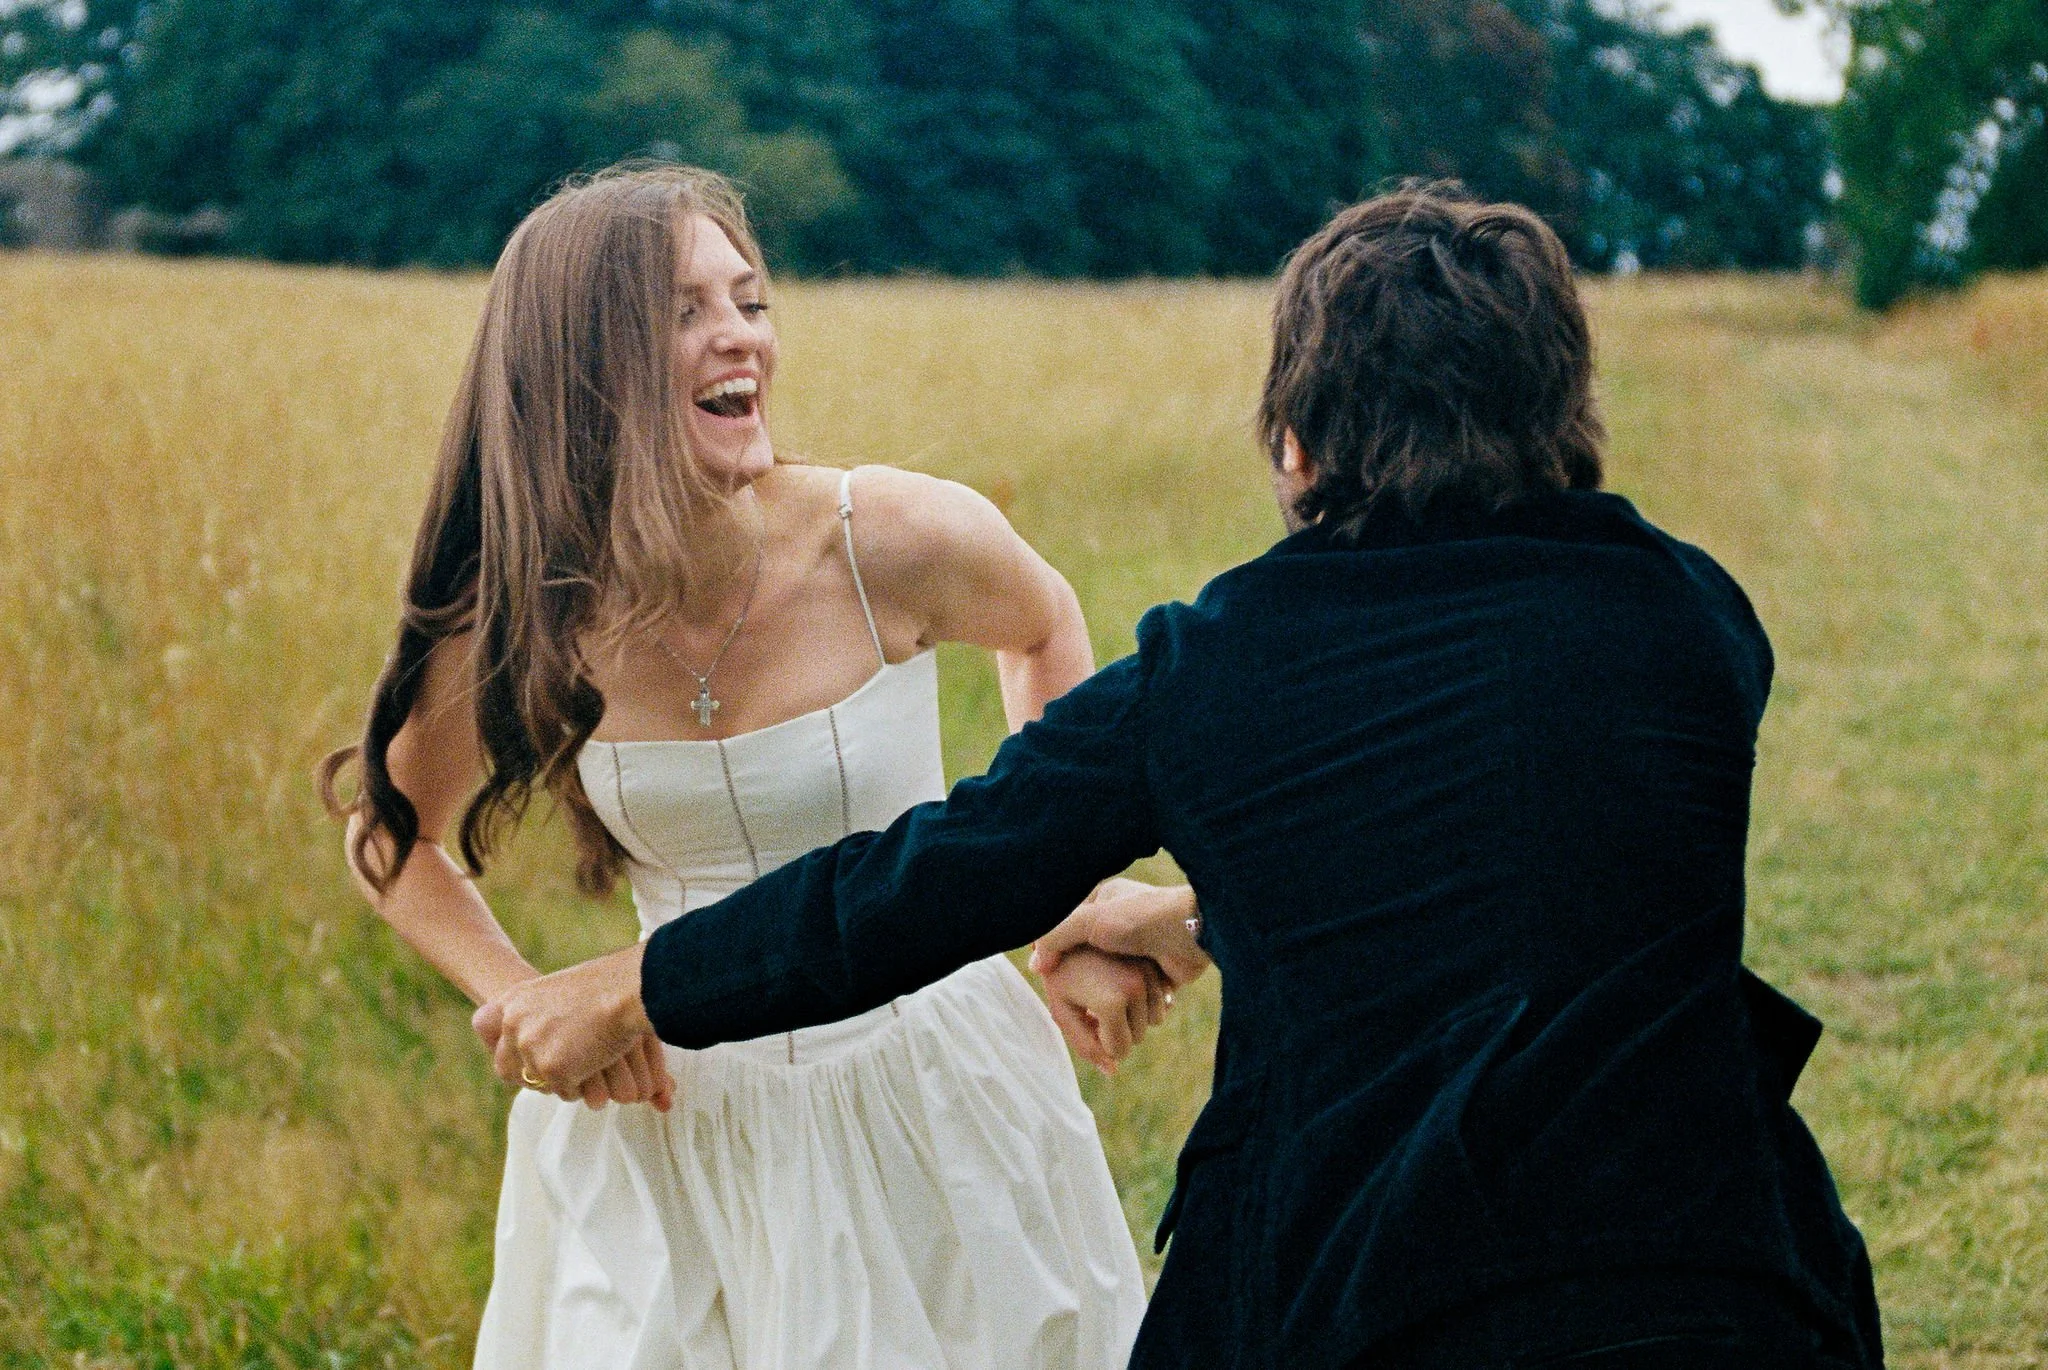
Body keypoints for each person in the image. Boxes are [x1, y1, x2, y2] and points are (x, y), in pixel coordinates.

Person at [476, 183, 1888, 1369]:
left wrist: (644, 983)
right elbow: (1508, 859)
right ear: (1568, 409)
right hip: (1721, 1284)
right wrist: (1210, 914)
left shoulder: (1218, 668)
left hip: (1363, 1297)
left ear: (1296, 442)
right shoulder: (1693, 624)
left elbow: (914, 886)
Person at [319, 164, 1160, 1368]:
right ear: (581, 367)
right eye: (685, 312)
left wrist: (1061, 891)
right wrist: (525, 997)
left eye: (749, 300)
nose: (741, 338)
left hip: (926, 1088)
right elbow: (390, 834)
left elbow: (1043, 626)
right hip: (671, 1126)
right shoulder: (528, 611)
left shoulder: (888, 538)